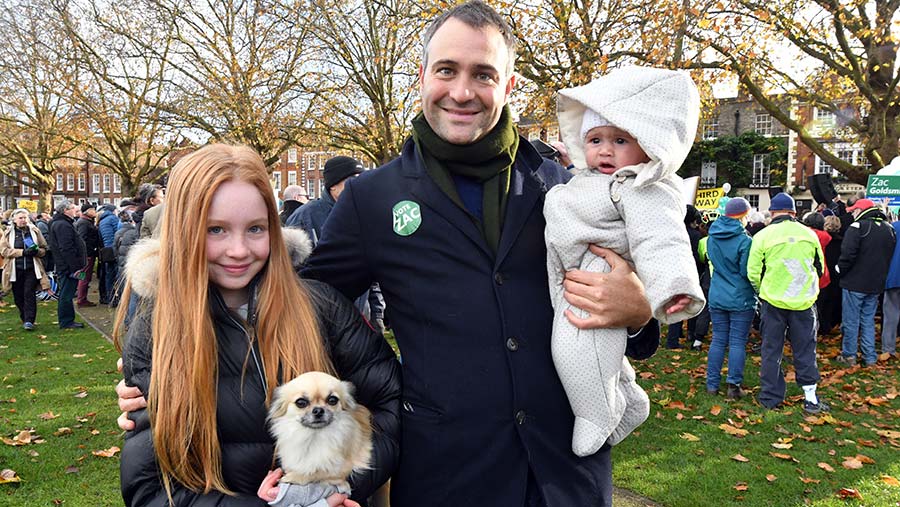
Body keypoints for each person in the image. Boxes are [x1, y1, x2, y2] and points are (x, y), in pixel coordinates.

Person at [119, 3, 659, 504]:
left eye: (483, 74)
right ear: (422, 77)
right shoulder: (372, 199)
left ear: (509, 84)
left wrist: (638, 314)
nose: (462, 91)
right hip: (449, 474)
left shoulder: (563, 184)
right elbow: (289, 297)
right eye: (446, 70)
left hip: (566, 471)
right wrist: (164, 358)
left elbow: (626, 294)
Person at [114, 144, 400, 506]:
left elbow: (390, 405)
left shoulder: (321, 306)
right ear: (184, 231)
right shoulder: (157, 328)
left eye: (255, 229)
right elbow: (150, 486)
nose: (238, 250)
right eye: (215, 229)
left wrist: (322, 493)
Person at [543, 66, 705, 455]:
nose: (605, 150)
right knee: (595, 353)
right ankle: (628, 398)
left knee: (573, 348)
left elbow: (660, 237)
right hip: (572, 271)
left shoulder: (637, 185)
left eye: (620, 139)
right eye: (595, 139)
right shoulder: (583, 179)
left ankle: (596, 413)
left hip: (599, 270)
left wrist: (670, 288)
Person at [747, 193, 829, 414]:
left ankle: (770, 398)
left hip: (773, 301)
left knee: (772, 349)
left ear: (773, 213)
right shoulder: (809, 234)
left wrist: (762, 290)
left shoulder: (763, 236)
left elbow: (753, 272)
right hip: (803, 301)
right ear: (794, 212)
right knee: (805, 349)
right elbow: (820, 267)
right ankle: (810, 397)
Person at [705, 198, 757, 399]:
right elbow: (746, 271)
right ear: (743, 215)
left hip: (717, 294)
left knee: (718, 340)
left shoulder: (711, 237)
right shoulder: (745, 240)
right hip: (740, 297)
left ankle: (712, 385)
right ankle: (733, 386)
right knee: (737, 342)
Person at [835, 198, 896, 366]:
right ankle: (870, 357)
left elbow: (848, 254)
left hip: (855, 282)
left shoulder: (858, 227)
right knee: (868, 320)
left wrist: (839, 269)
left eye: (854, 211)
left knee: (851, 320)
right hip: (875, 282)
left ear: (860, 210)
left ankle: (849, 355)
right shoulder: (888, 228)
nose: (853, 213)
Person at [285, 156, 364, 243]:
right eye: (353, 180)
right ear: (333, 185)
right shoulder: (304, 217)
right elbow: (291, 254)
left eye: (362, 180)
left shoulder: (366, 213)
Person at [0, 209, 51, 330]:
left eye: (25, 218)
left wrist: (36, 251)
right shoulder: (8, 233)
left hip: (32, 268)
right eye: (20, 218)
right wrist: (22, 252)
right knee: (18, 296)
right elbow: (4, 251)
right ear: (14, 220)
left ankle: (29, 320)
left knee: (29, 293)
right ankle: (24, 317)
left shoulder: (34, 231)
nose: (23, 220)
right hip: (14, 269)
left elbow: (44, 248)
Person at [47, 200, 87, 329]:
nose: (75, 211)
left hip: (65, 265)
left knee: (67, 292)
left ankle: (67, 319)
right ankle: (66, 321)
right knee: (66, 293)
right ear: (65, 210)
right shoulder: (62, 225)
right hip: (67, 266)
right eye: (72, 209)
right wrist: (75, 267)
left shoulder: (60, 223)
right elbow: (66, 248)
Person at [74, 202, 100, 307]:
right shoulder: (84, 223)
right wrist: (89, 251)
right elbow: (82, 239)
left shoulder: (85, 221)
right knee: (84, 276)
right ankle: (81, 298)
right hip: (87, 255)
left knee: (84, 276)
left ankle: (82, 297)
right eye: (93, 210)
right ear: (87, 211)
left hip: (87, 254)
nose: (95, 211)